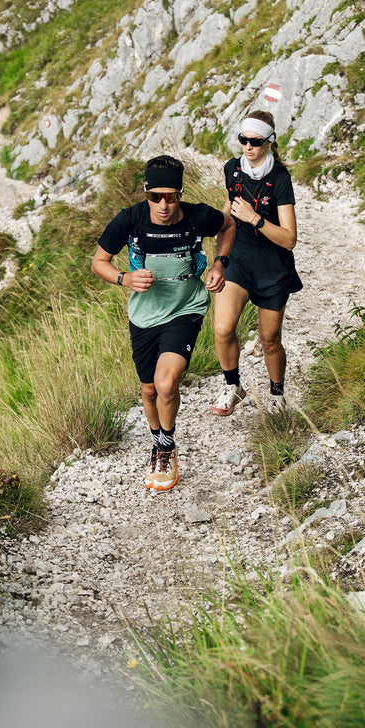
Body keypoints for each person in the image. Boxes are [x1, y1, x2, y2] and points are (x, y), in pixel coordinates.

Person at [92, 155, 234, 491]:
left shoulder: (198, 216)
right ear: (146, 193)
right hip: (144, 315)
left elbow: (228, 226)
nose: (163, 205)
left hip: (186, 308)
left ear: (180, 193)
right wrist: (124, 278)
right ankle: (157, 441)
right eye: (155, 197)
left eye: (170, 197)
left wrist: (219, 264)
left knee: (166, 384)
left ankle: (167, 449)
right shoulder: (130, 220)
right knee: (149, 390)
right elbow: (99, 262)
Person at [209, 110, 302, 416]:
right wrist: (217, 255)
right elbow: (228, 211)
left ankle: (277, 394)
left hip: (273, 266)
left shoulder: (280, 179)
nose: (248, 146)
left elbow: (289, 239)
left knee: (269, 340)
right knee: (222, 328)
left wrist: (255, 218)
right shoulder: (232, 169)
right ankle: (233, 386)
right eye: (243, 139)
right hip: (238, 260)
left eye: (255, 141)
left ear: (269, 142)